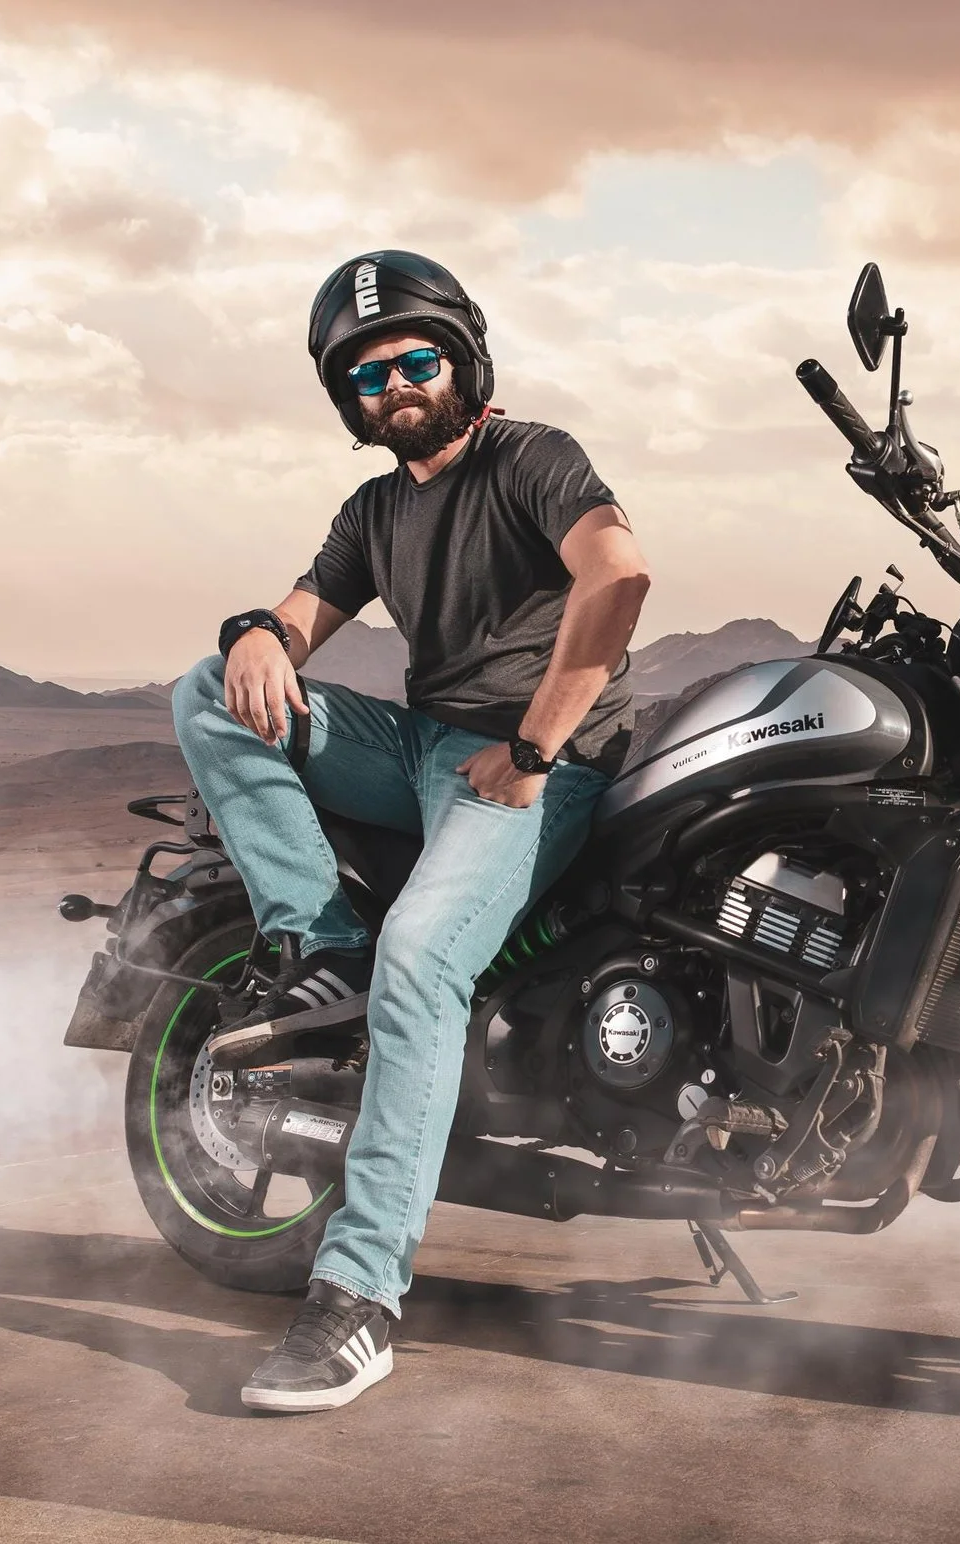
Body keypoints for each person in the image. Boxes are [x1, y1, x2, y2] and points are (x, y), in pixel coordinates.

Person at [171, 251, 651, 1413]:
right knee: (205, 687)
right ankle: (316, 939)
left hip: (540, 760)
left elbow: (618, 573)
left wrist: (533, 747)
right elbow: (298, 619)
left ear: (464, 358)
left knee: (426, 957)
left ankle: (357, 1297)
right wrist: (253, 635)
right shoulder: (374, 508)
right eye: (368, 372)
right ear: (348, 399)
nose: (395, 383)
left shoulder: (530, 456)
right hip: (423, 748)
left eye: (416, 359)